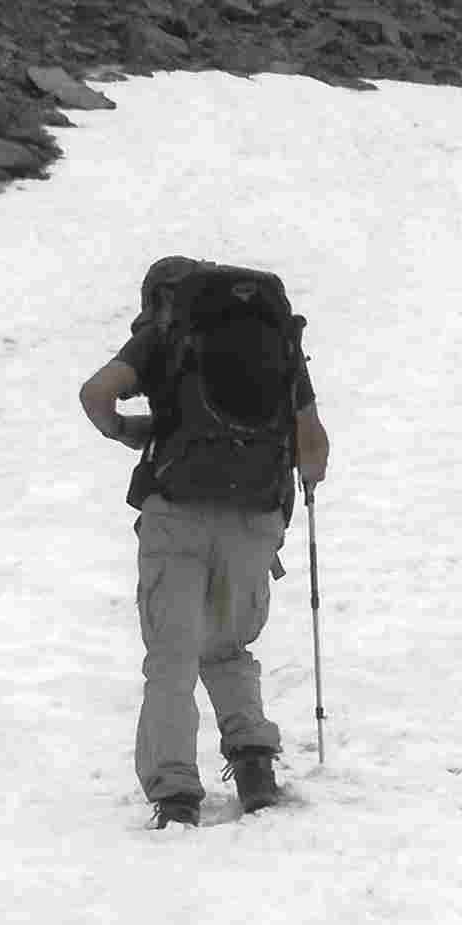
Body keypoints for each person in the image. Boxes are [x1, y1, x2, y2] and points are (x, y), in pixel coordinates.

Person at [79, 255, 329, 824]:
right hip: (254, 519)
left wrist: (127, 431)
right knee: (228, 645)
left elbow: (97, 394)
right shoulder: (274, 339)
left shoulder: (163, 335)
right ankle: (254, 765)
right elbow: (313, 442)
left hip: (178, 518)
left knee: (173, 656)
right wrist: (298, 487)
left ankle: (175, 794)